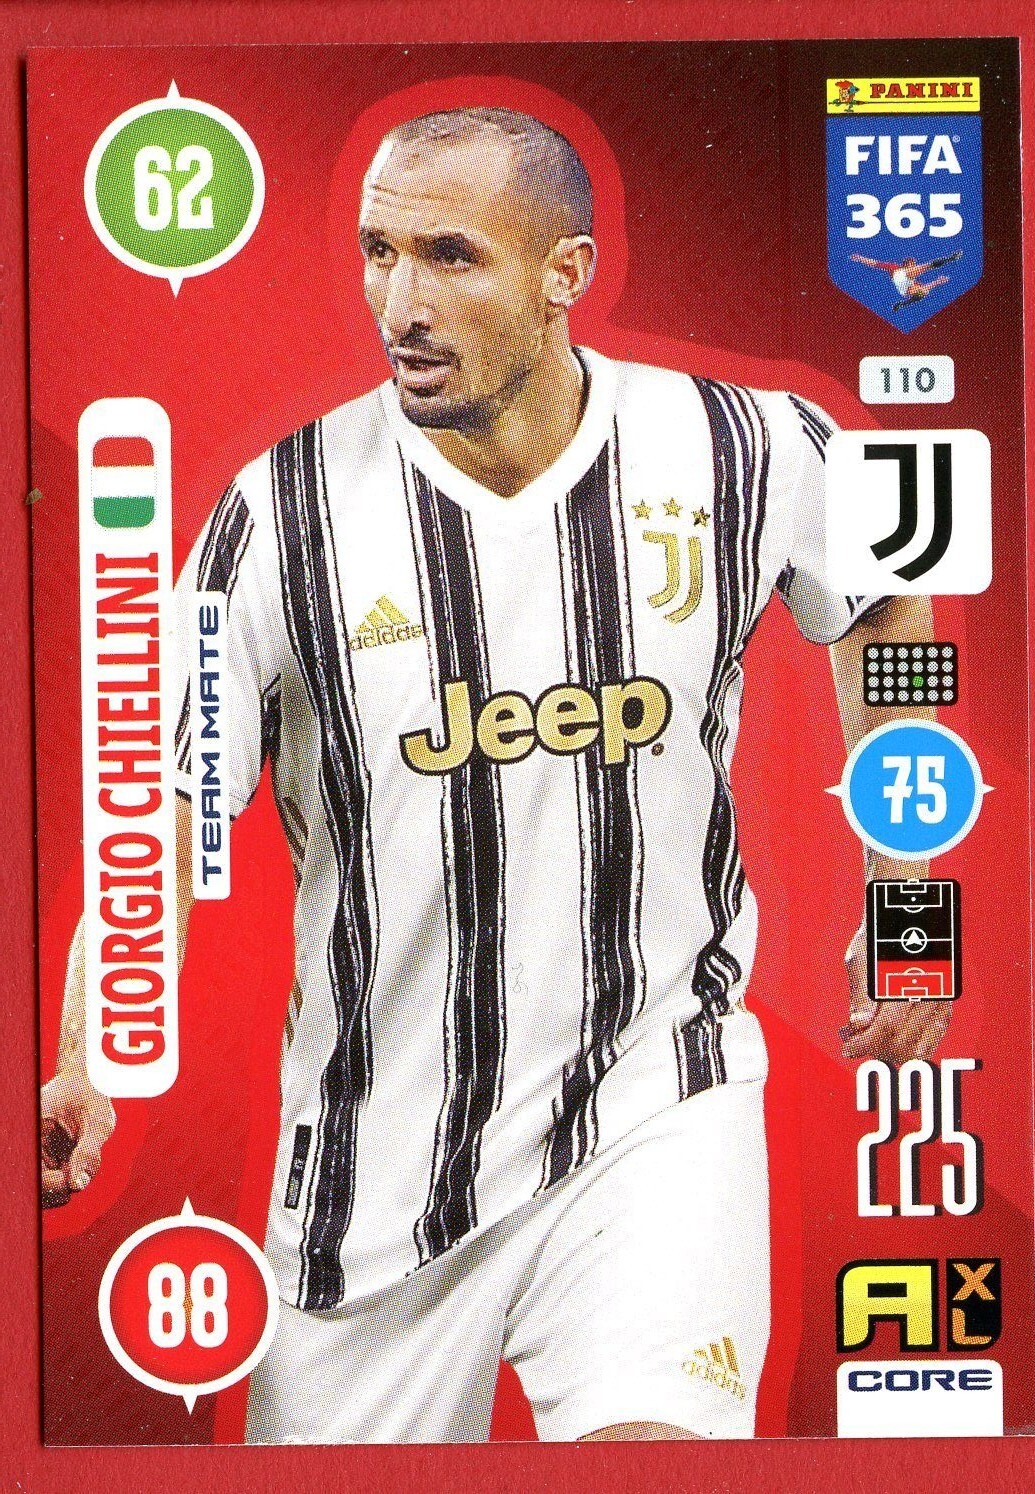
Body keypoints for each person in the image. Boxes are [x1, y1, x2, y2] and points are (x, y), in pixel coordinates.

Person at [41, 106, 950, 1442]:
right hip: (369, 1180)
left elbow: (882, 598)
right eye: (378, 252)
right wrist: (92, 1052)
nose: (398, 304)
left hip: (656, 1098)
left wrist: (910, 914)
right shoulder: (282, 514)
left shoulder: (744, 448)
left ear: (564, 271)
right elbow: (165, 810)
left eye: (449, 256)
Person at [849, 249, 964, 310]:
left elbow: (924, 288)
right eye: (912, 264)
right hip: (900, 276)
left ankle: (902, 304)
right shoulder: (895, 268)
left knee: (923, 290)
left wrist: (938, 282)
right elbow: (876, 264)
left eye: (914, 265)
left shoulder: (914, 282)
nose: (914, 266)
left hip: (905, 289)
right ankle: (950, 258)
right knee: (926, 268)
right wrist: (860, 258)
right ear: (906, 265)